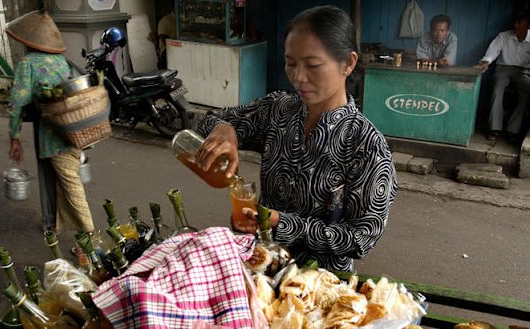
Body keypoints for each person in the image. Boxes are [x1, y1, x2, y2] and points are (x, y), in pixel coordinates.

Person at [193, 5, 398, 271]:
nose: (298, 77)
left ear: (348, 63)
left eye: (312, 65)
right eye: (291, 64)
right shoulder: (278, 110)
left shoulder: (367, 146)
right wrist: (224, 129)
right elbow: (206, 123)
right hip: (259, 265)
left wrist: (283, 223)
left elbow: (361, 238)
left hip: (318, 284)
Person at [5, 10, 95, 234]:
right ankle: (57, 224)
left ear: (28, 42)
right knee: (62, 182)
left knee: (71, 187)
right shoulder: (62, 61)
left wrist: (14, 138)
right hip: (74, 131)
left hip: (54, 137)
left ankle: (92, 239)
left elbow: (16, 103)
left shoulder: (28, 64)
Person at [475, 13, 530, 143]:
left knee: (526, 92)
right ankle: (495, 128)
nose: (515, 25)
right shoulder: (503, 36)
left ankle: (513, 130)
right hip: (503, 69)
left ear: (528, 25)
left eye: (520, 23)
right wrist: (486, 62)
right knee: (497, 89)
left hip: (524, 71)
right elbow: (492, 52)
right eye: (515, 22)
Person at [157, 2, 176, 69]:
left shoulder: (179, 19)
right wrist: (171, 50)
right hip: (167, 50)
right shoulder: (165, 20)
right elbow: (163, 38)